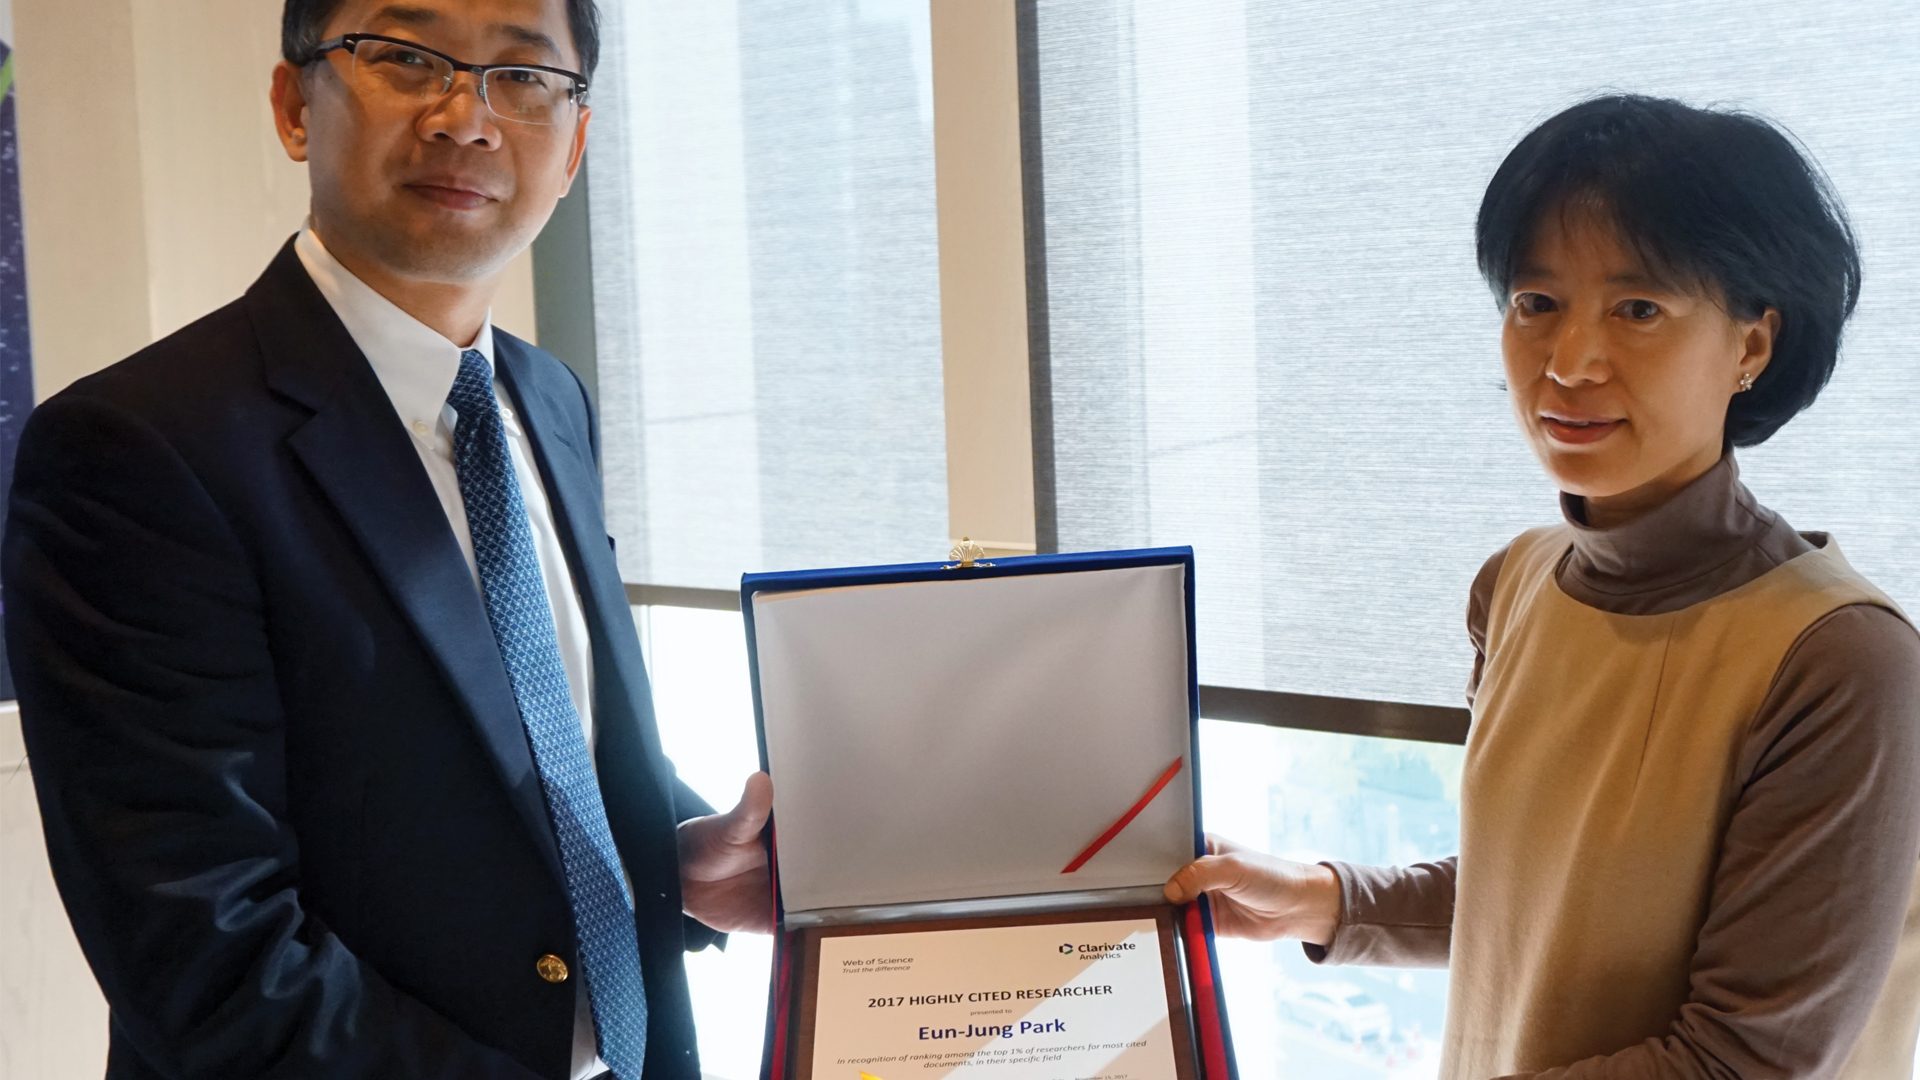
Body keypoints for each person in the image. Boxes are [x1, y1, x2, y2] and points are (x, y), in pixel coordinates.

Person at [3, 1, 772, 1077]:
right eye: (406, 59)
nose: (467, 119)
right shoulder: (137, 446)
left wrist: (667, 855)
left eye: (524, 76)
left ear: (574, 146)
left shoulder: (549, 399)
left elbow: (515, 732)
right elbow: (209, 957)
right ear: (294, 105)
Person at [1165, 95, 1920, 1077]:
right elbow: (1536, 902)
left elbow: (1740, 1061)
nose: (1569, 363)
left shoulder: (1841, 660)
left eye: (1638, 309)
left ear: (1751, 346)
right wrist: (1323, 901)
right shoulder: (1517, 584)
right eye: (1537, 303)